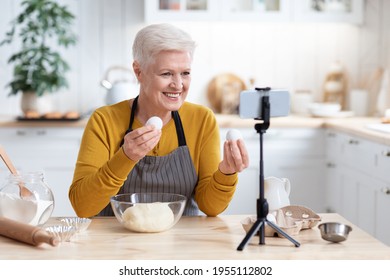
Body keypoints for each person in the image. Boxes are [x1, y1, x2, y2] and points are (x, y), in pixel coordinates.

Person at [68, 23, 249, 217]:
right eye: (166, 73)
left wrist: (226, 173)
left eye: (185, 73)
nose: (178, 84)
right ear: (138, 72)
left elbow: (210, 207)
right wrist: (126, 157)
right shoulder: (104, 121)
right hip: (116, 240)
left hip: (181, 240)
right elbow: (83, 206)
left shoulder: (202, 120)